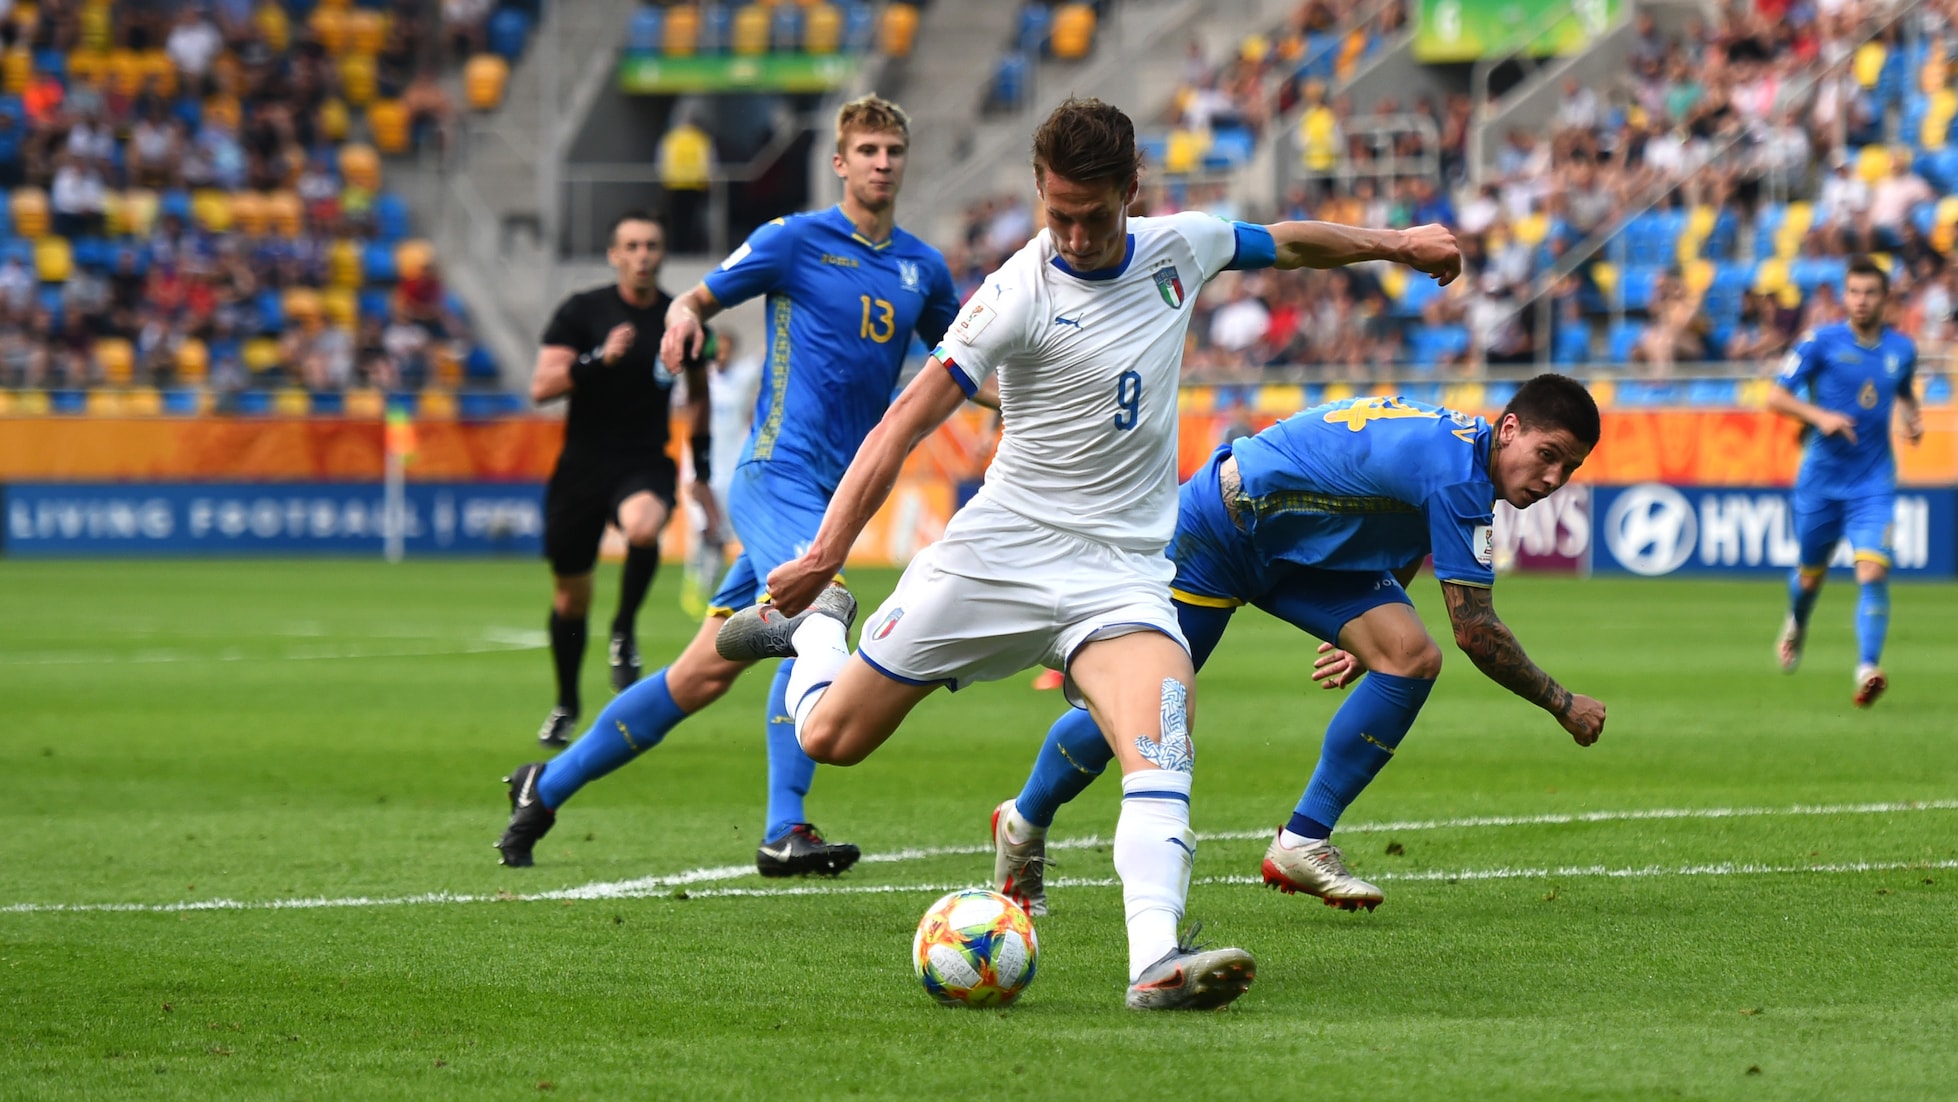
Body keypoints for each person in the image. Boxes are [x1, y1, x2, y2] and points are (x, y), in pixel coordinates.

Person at [716, 97, 1460, 1010]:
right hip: (997, 556)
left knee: (1163, 743)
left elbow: (1288, 241)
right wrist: (828, 557)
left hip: (1122, 573)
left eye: (1092, 215)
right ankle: (819, 635)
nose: (1071, 234)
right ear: (1039, 192)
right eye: (1056, 212)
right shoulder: (1015, 291)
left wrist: (1394, 244)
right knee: (836, 737)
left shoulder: (1180, 247)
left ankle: (1154, 959)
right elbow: (905, 420)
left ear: (1130, 194)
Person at [494, 95, 960, 876]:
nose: (882, 163)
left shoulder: (923, 267)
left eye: (893, 151)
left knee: (700, 674)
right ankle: (787, 827)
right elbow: (696, 298)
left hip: (836, 494)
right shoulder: (793, 241)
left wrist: (1036, 401)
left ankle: (544, 785)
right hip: (774, 475)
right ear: (840, 162)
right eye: (868, 150)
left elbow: (963, 365)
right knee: (822, 604)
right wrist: (680, 323)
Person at [990, 378, 1607, 919]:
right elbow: (1476, 632)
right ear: (1510, 429)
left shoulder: (1462, 452)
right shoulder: (1458, 476)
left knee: (1408, 654)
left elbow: (1390, 518)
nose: (1553, 479)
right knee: (1144, 711)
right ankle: (1023, 822)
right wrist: (1562, 703)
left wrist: (1370, 628)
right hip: (1220, 533)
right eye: (1548, 455)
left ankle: (1302, 841)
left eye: (1569, 468)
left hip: (1294, 542)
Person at [527, 210, 715, 749]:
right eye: (631, 246)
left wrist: (700, 469)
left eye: (651, 246)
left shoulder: (680, 320)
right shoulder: (581, 312)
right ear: (614, 255)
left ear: (661, 253)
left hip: (642, 461)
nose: (642, 256)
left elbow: (699, 395)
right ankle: (566, 704)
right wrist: (596, 359)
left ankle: (624, 630)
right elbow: (541, 387)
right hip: (581, 467)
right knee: (570, 600)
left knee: (642, 528)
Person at [1769, 256, 1923, 706]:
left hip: (1873, 482)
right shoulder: (1820, 342)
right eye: (1854, 292)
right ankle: (1797, 622)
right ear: (1844, 296)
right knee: (1810, 578)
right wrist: (1821, 417)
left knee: (1872, 570)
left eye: (1870, 292)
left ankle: (1867, 668)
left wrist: (1912, 420)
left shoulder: (1902, 349)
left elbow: (1906, 393)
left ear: (1885, 298)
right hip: (1820, 482)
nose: (1861, 300)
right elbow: (1776, 396)